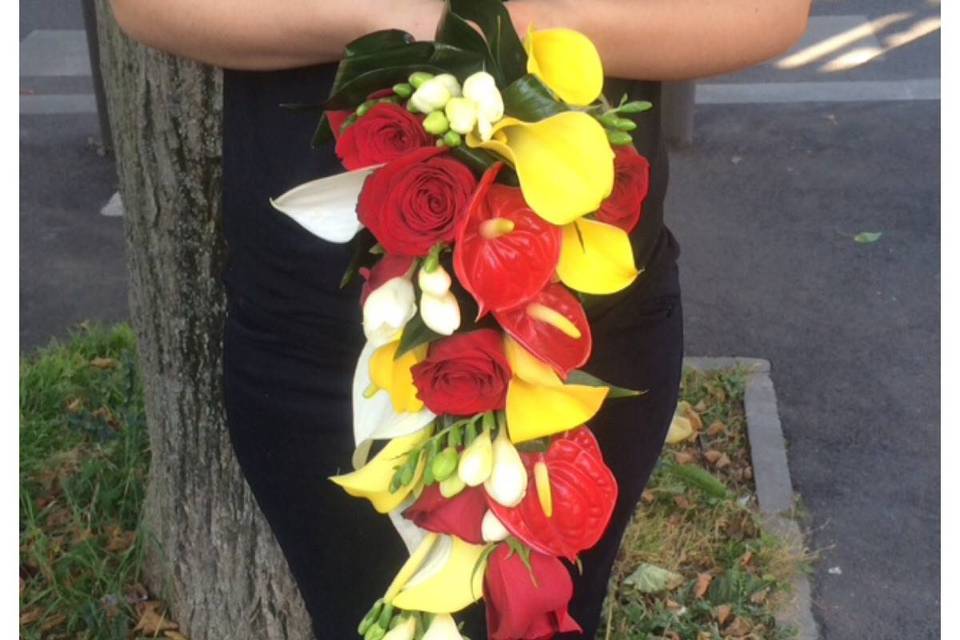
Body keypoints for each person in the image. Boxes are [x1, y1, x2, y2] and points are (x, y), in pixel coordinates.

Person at [110, 2, 810, 638]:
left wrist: (496, 23)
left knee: (545, 617)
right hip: (315, 333)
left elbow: (764, 12)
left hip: (575, 330)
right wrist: (393, 19)